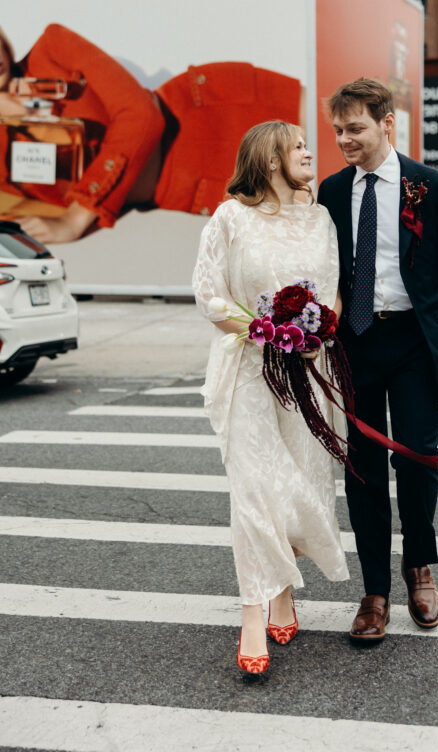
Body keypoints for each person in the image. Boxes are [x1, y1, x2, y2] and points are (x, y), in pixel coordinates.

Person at [318, 78, 438, 642]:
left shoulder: (430, 187)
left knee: (416, 459)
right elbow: (323, 270)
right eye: (338, 130)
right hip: (355, 343)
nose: (344, 140)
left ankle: (419, 568)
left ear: (387, 124)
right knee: (361, 467)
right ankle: (374, 592)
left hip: (414, 343)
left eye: (355, 128)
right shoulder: (332, 191)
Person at [192, 121, 349, 674]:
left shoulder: (320, 218)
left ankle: (283, 591)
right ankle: (253, 611)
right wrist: (266, 334)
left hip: (306, 371)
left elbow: (333, 289)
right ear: (271, 158)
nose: (309, 152)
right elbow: (209, 294)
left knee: (299, 483)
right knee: (255, 488)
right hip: (248, 369)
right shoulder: (229, 217)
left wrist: (316, 333)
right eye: (298, 146)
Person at [0, 19, 300, 242]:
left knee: (328, 134)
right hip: (202, 188)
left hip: (217, 112)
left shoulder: (53, 47)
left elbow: (142, 115)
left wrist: (76, 215)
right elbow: (45, 222)